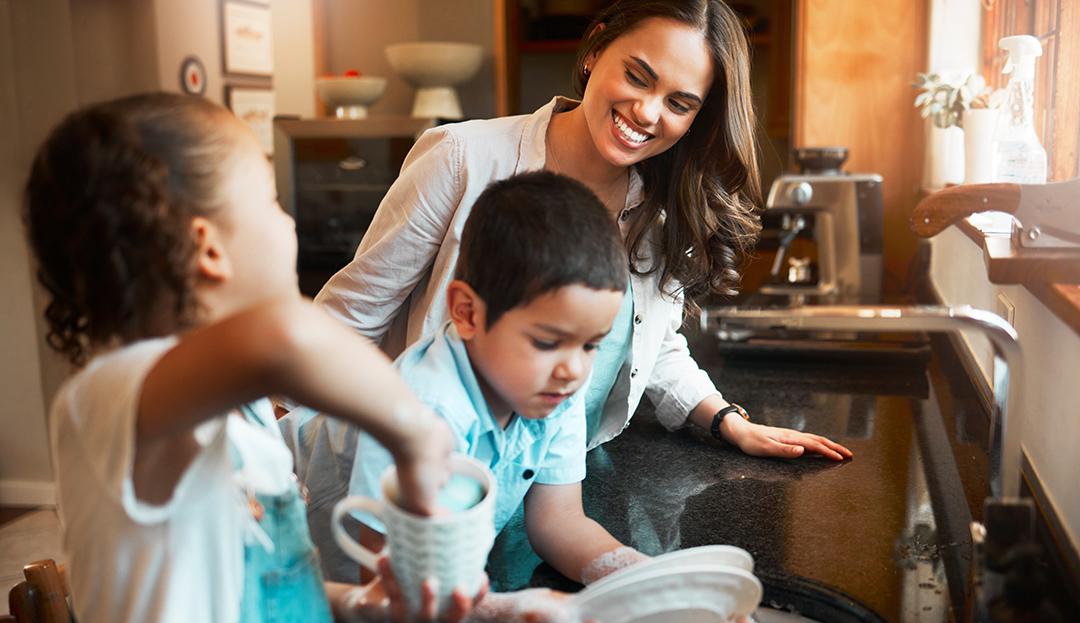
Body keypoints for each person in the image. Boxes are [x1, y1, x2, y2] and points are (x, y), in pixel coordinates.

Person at [23, 93, 485, 623]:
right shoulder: (110, 398)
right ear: (207, 248)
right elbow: (284, 337)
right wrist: (417, 436)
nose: (289, 220)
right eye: (271, 200)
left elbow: (249, 594)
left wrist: (361, 606)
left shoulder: (241, 417)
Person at [314, 0, 853, 463]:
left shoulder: (664, 209)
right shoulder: (462, 159)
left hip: (559, 482)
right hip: (426, 476)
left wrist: (726, 421)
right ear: (595, 49)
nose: (646, 112)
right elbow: (349, 319)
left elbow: (652, 344)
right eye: (638, 76)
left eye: (679, 103)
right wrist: (265, 461)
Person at [344, 170, 752, 623]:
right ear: (467, 312)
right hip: (336, 603)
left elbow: (558, 523)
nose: (572, 370)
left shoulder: (549, 390)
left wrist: (651, 587)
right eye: (545, 342)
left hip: (442, 592)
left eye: (590, 345)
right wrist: (498, 619)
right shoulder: (422, 412)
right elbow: (388, 585)